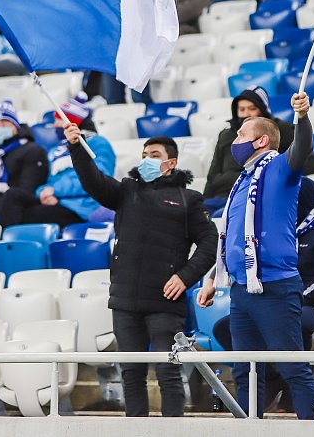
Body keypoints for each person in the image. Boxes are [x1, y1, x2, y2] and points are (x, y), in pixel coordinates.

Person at [65, 128, 218, 417]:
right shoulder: (127, 191)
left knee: (168, 372)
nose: (147, 159)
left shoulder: (189, 198)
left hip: (165, 302)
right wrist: (76, 148)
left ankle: (172, 431)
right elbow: (92, 181)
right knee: (131, 374)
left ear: (171, 163)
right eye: (145, 154)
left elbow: (210, 243)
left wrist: (185, 277)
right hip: (124, 301)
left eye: (155, 155)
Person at [197, 91, 314, 419]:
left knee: (292, 368)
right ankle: (249, 429)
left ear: (262, 140)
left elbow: (301, 148)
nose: (234, 139)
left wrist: (302, 117)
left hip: (274, 287)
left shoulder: (280, 168)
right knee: (245, 370)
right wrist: (213, 279)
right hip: (242, 290)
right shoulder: (242, 181)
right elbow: (233, 239)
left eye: (241, 135)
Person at [0, 96, 115, 228]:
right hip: (56, 202)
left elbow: (98, 180)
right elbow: (47, 182)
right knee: (13, 196)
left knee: (21, 216)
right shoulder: (55, 150)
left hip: (81, 207)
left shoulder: (98, 143)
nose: (54, 125)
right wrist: (43, 193)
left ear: (72, 122)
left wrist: (55, 191)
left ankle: (6, 238)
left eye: (58, 120)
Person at [204, 85, 314, 208]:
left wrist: (269, 178)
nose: (246, 114)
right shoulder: (225, 135)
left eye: (252, 108)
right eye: (241, 109)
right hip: (221, 198)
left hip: (258, 199)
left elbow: (305, 160)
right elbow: (212, 178)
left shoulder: (281, 130)